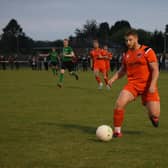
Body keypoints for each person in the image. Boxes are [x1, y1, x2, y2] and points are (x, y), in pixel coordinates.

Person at [108, 29, 160, 138]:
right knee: (119, 103)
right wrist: (113, 79)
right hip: (133, 85)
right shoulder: (126, 54)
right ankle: (117, 132)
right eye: (126, 41)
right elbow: (122, 70)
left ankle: (153, 116)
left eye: (130, 40)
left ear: (136, 39)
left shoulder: (147, 50)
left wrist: (152, 85)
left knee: (154, 115)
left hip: (148, 86)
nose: (128, 43)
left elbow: (155, 69)